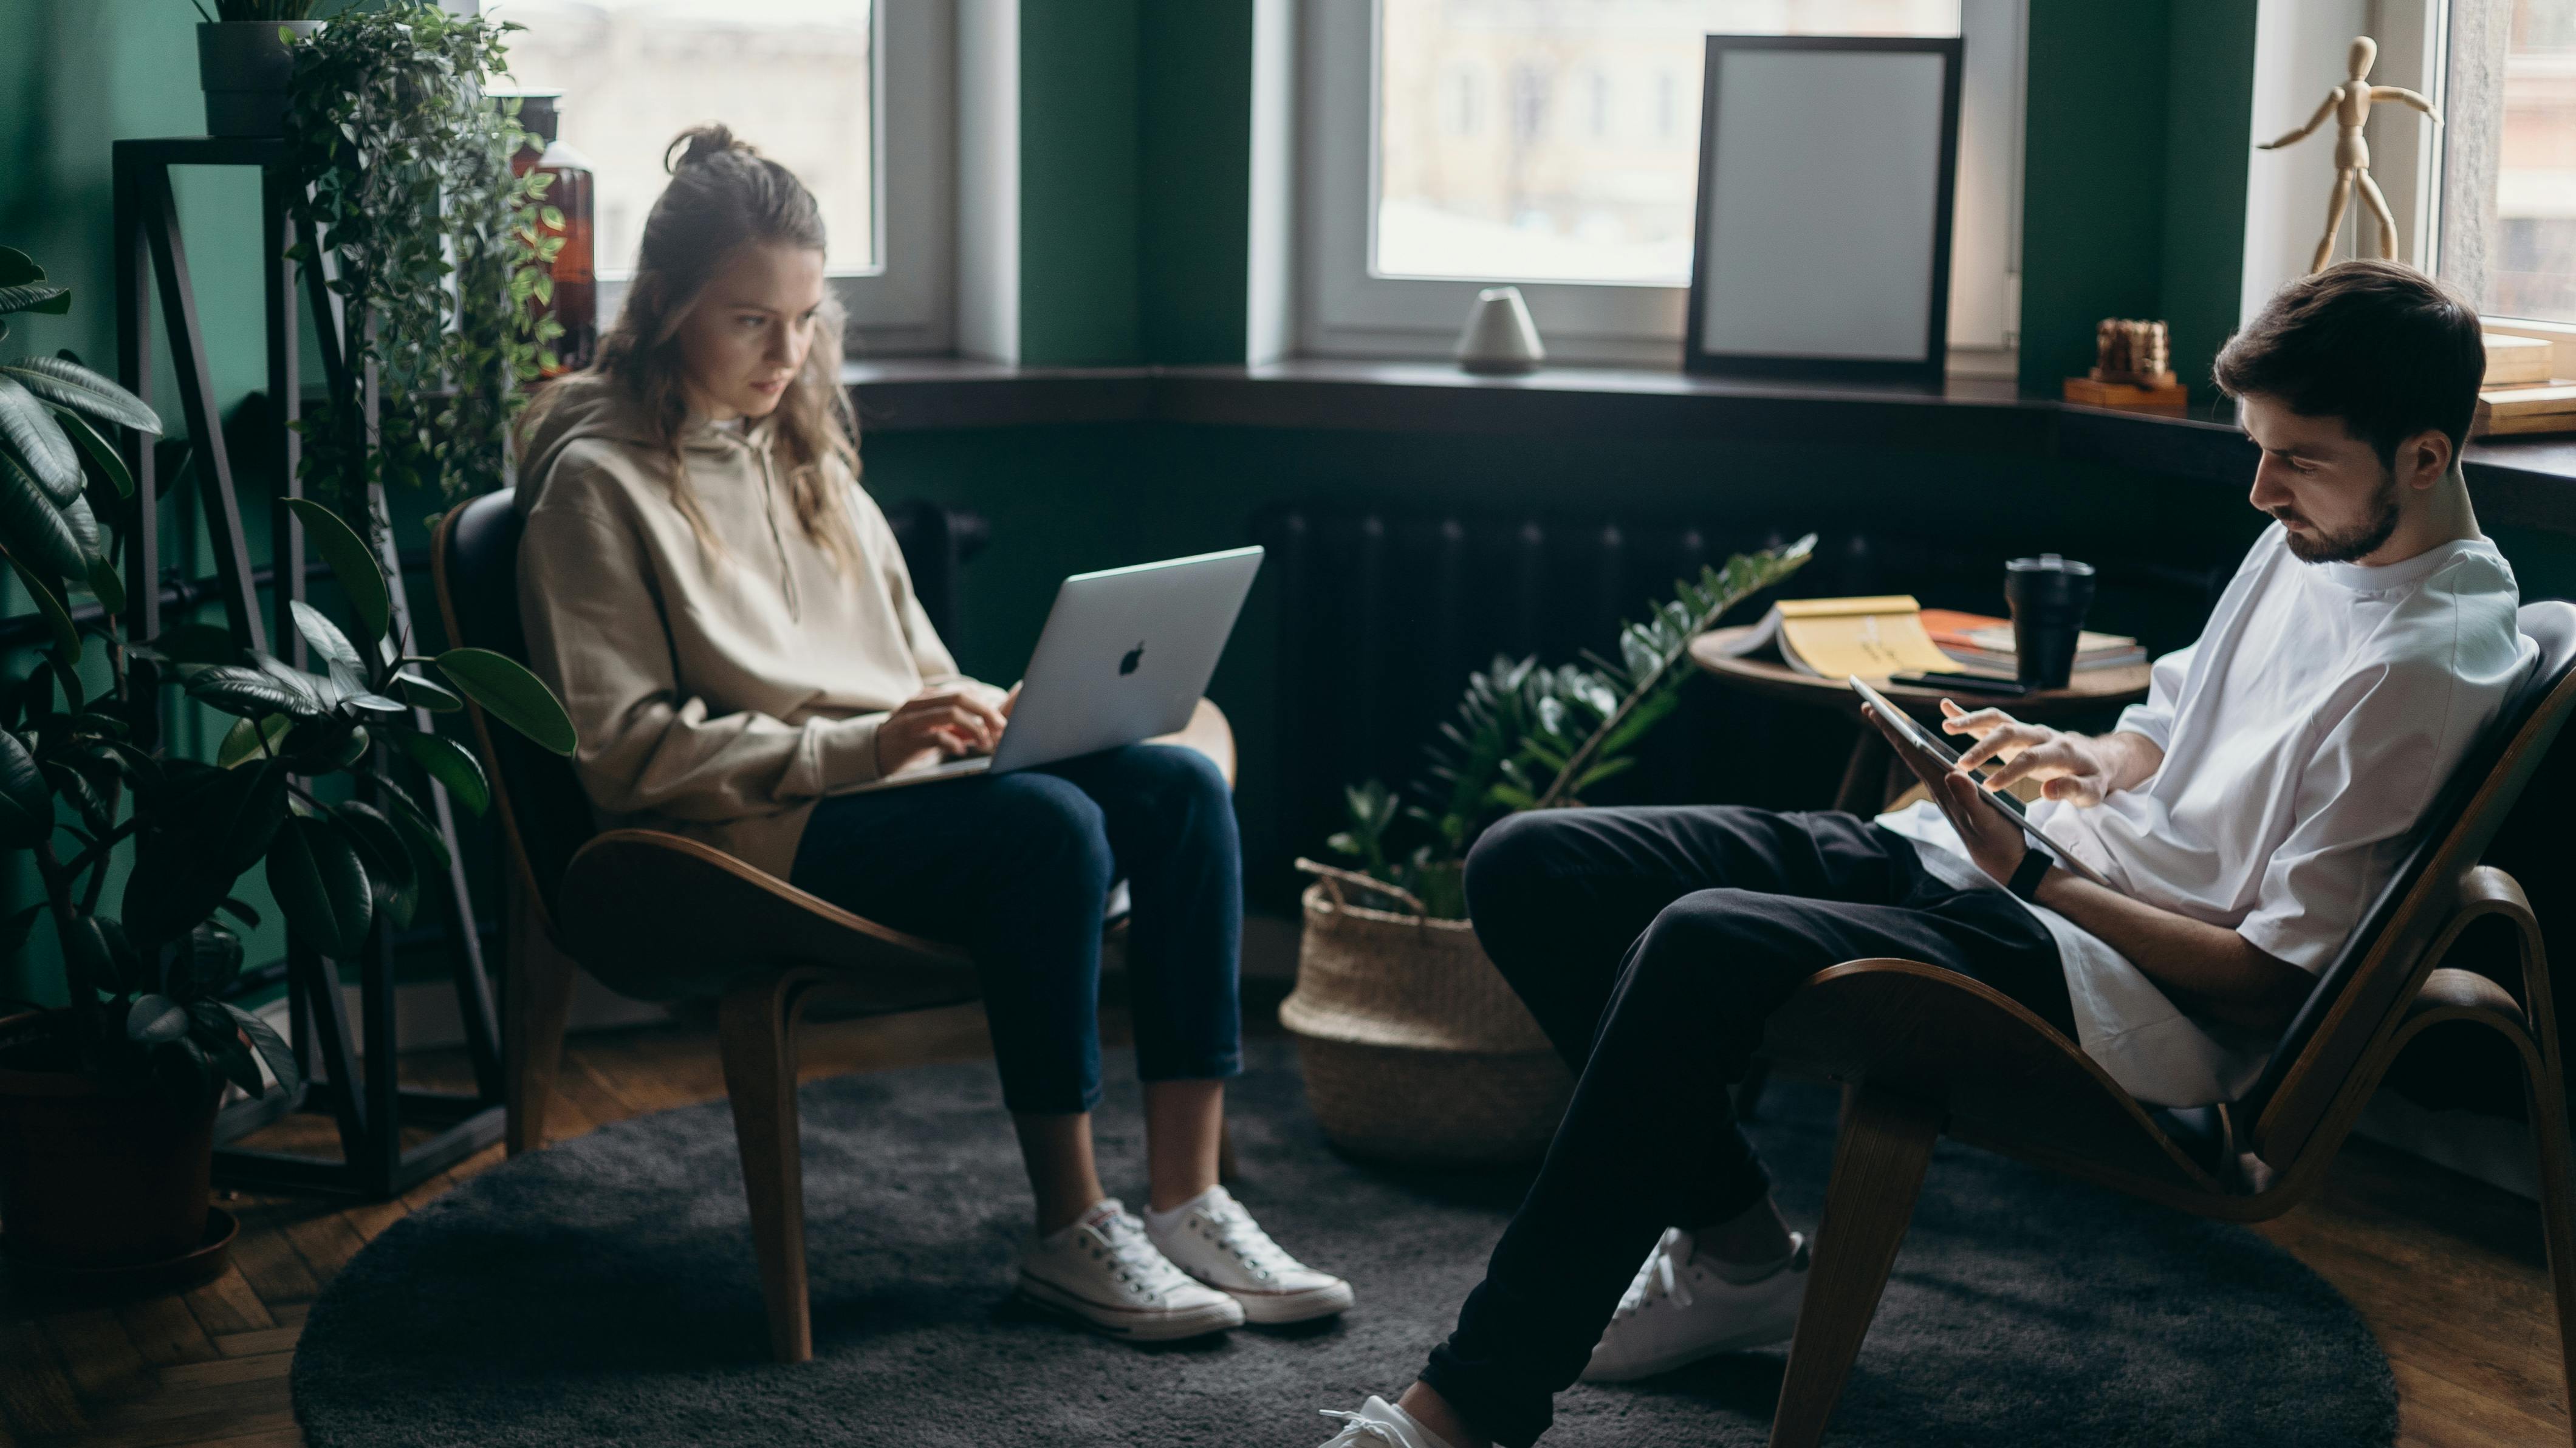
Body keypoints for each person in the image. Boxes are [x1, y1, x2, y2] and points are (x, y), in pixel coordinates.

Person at [1309, 260, 2535, 1447]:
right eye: (2254, 446)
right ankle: (1739, 1255)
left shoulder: (2418, 672)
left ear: (2424, 456)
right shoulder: (2311, 534)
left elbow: (2267, 981)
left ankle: (1467, 1411)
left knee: (1699, 941)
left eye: (2296, 459)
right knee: (1531, 864)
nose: (2259, 489)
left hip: (2109, 981)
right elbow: (2169, 729)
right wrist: (2077, 761)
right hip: (2023, 873)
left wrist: (2031, 874)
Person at [514, 126, 1350, 1344]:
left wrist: (988, 711)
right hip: (745, 832)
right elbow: (628, 755)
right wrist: (867, 745)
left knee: (1175, 787)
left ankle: (1190, 1198)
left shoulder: (809, 458)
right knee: (1045, 828)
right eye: (751, 320)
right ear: (668, 308)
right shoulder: (595, 488)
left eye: (805, 318)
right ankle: (1070, 1225)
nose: (788, 353)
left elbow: (905, 670)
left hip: (877, 789)